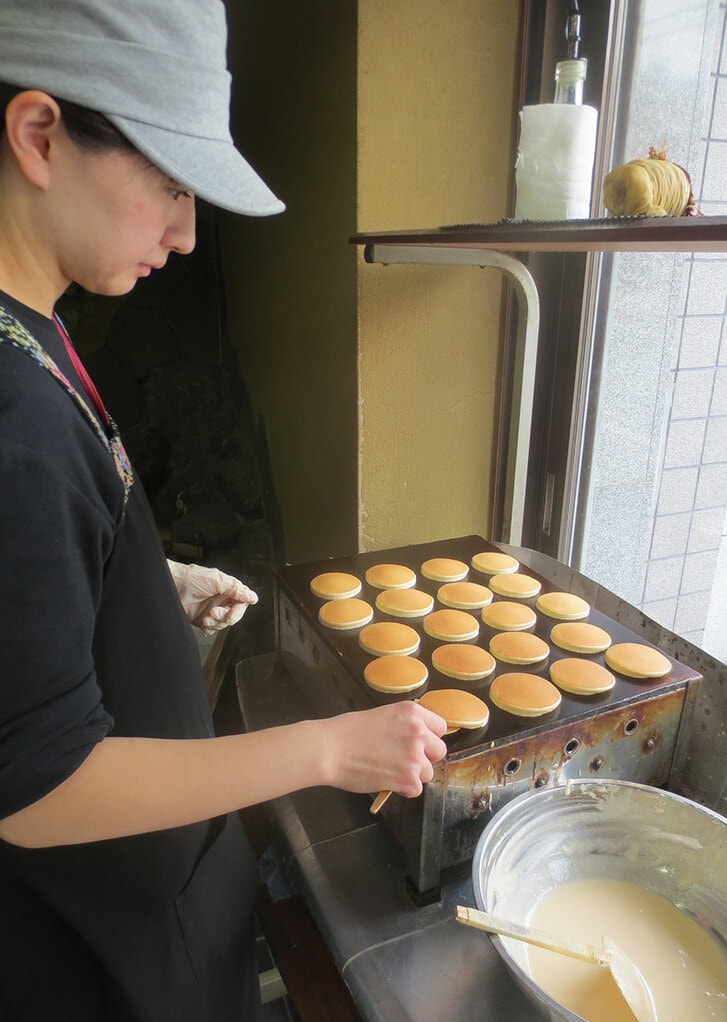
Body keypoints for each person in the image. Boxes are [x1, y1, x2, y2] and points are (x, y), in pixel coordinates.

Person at [0, 2, 448, 1019]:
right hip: (103, 945)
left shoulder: (33, 324)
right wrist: (331, 747)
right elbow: (36, 788)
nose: (188, 232)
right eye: (171, 184)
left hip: (149, 893)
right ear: (39, 136)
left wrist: (134, 582)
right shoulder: (12, 416)